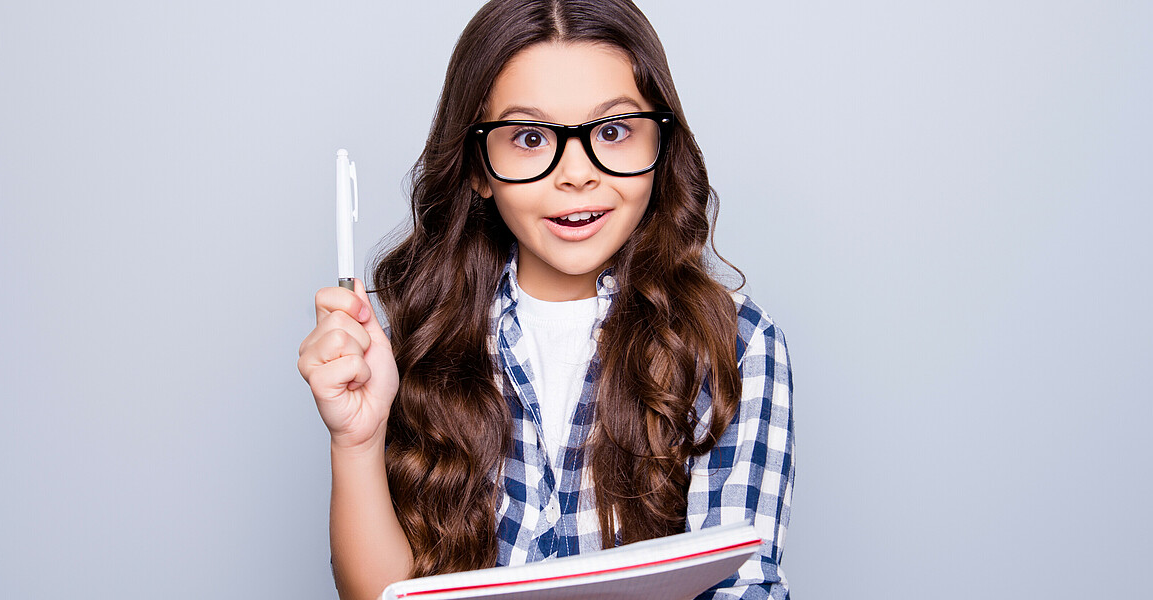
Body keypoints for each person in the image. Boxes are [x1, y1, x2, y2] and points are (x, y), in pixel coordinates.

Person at [296, 1, 793, 598]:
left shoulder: (735, 344)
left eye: (612, 131)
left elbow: (743, 586)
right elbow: (384, 594)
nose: (576, 174)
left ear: (661, 145)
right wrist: (357, 441)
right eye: (530, 138)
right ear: (477, 167)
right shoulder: (420, 338)